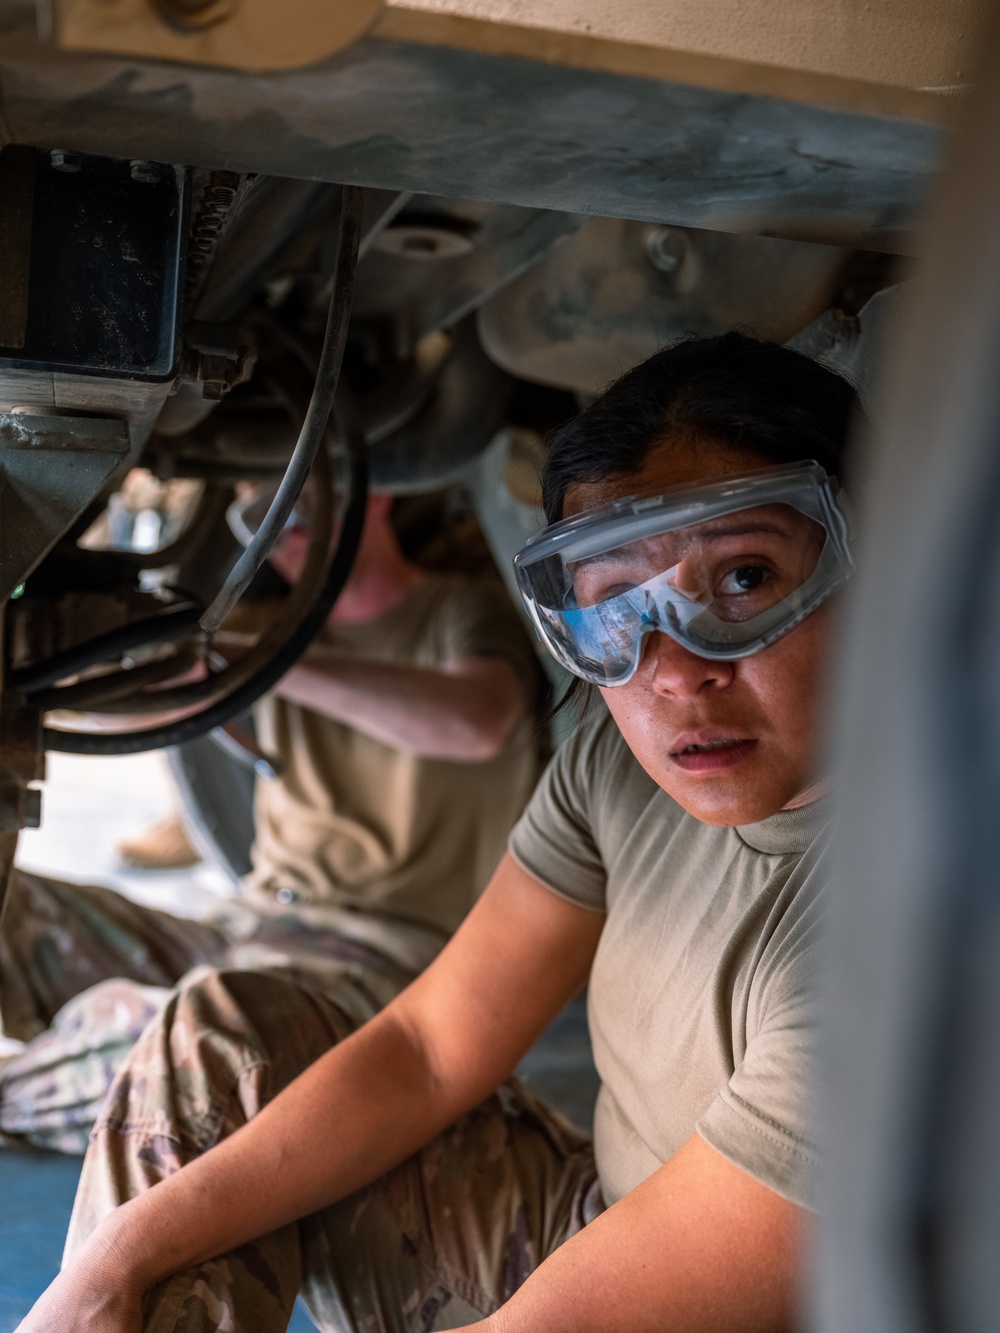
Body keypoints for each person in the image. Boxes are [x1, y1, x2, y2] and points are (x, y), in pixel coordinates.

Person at [17, 331, 854, 1332]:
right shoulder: (620, 764)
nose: (673, 672)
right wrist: (117, 1258)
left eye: (745, 579)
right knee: (223, 1036)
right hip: (588, 1220)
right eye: (615, 612)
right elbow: (426, 1048)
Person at [0, 491, 543, 1154]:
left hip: (378, 961)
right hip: (246, 931)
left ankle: (28, 1095)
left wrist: (266, 662)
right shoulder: (270, 628)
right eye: (256, 512)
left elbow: (478, 718)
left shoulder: (458, 609)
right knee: (19, 907)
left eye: (302, 502)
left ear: (380, 493)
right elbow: (118, 711)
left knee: (186, 1039)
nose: (282, 527)